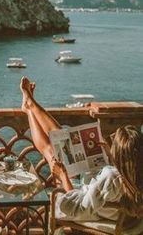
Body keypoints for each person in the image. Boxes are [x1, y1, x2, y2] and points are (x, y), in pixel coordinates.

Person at [20, 76, 143, 222]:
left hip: (87, 211)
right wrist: (111, 157)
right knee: (65, 143)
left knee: (51, 152)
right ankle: (30, 105)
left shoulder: (111, 177)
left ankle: (28, 109)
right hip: (99, 202)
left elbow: (78, 208)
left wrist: (62, 176)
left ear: (122, 155)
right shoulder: (134, 174)